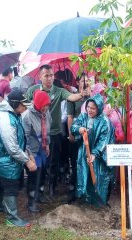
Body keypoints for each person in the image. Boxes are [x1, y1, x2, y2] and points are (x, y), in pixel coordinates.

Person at [26, 64, 90, 198]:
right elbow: (25, 108)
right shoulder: (32, 91)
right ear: (40, 77)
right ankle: (38, 190)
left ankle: (52, 188)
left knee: (54, 162)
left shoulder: (59, 91)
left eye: (51, 75)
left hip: (54, 133)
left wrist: (81, 94)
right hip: (36, 135)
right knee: (40, 163)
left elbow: (71, 97)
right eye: (46, 76)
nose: (49, 78)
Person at [0, 90, 37, 227]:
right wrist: (27, 161)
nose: (25, 108)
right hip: (3, 158)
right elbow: (12, 147)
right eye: (23, 105)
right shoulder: (6, 119)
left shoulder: (12, 114)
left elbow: (20, 139)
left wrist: (28, 152)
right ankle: (12, 218)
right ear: (15, 104)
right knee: (10, 185)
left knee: (0, 181)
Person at [70, 94, 115, 206]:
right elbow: (73, 126)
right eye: (88, 107)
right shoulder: (83, 116)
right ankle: (84, 198)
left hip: (98, 156)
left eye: (93, 108)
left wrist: (95, 154)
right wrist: (78, 129)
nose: (89, 110)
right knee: (83, 174)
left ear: (99, 108)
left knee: (98, 176)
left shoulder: (105, 121)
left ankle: (99, 202)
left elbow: (104, 141)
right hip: (84, 151)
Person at [22, 90, 52, 212]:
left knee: (43, 172)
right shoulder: (28, 116)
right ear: (39, 103)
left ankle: (39, 195)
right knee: (34, 174)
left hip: (43, 147)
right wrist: (28, 155)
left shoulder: (46, 113)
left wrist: (48, 144)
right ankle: (31, 202)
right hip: (32, 148)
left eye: (47, 105)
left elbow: (48, 130)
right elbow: (25, 138)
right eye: (44, 105)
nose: (46, 107)